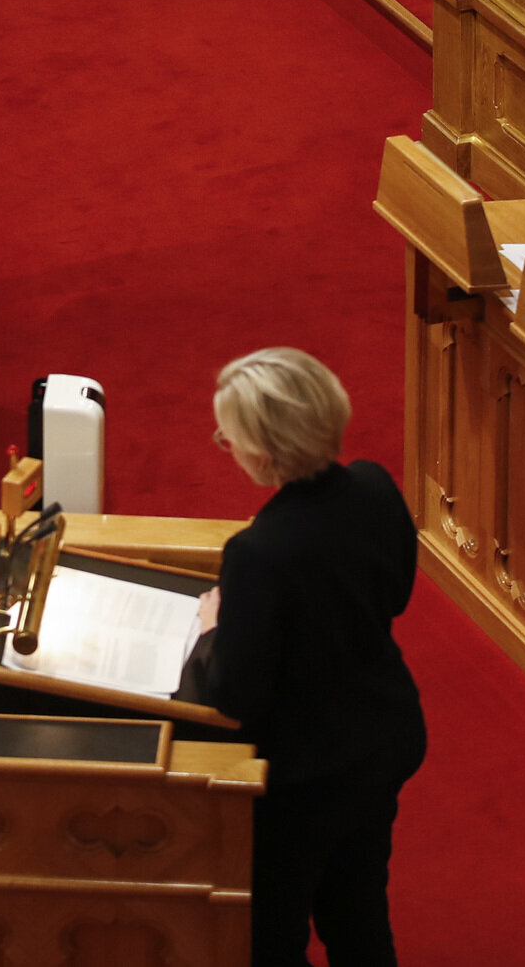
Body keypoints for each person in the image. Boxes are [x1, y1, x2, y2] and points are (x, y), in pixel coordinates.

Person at [179, 348, 427, 967]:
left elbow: (236, 696)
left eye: (226, 438)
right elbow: (394, 593)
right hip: (381, 738)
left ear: (261, 455)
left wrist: (213, 630)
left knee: (273, 935)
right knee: (358, 910)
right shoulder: (374, 484)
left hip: (301, 777)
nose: (226, 447)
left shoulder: (258, 552)